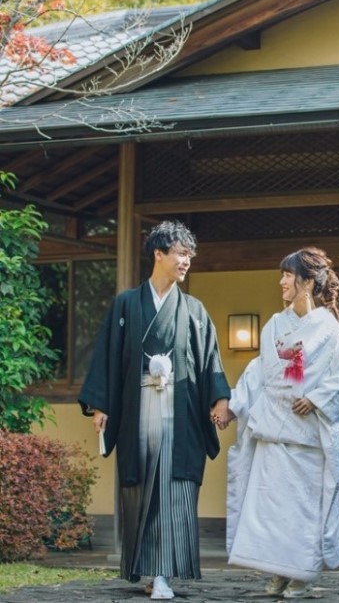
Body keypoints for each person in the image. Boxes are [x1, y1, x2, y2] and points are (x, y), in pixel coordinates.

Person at [78, 220, 231, 601]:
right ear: (158, 254)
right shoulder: (126, 304)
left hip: (180, 414)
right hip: (137, 409)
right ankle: (147, 569)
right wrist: (101, 404)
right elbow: (110, 357)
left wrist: (220, 399)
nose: (186, 261)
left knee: (172, 487)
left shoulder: (193, 309)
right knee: (141, 486)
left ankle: (163, 573)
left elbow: (209, 359)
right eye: (180, 253)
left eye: (190, 256)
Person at [226, 246, 339, 599]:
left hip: (306, 437)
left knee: (302, 512)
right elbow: (262, 372)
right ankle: (277, 572)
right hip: (274, 431)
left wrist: (315, 398)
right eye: (282, 274)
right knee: (273, 510)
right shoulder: (276, 325)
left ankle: (301, 574)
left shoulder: (327, 328)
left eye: (288, 274)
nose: (281, 281)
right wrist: (234, 404)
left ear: (307, 281)